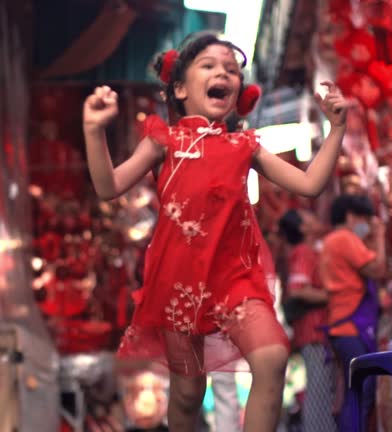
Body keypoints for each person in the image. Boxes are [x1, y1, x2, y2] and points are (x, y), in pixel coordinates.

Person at [82, 31, 349, 431]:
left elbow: (310, 185)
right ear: (179, 88)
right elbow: (108, 187)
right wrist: (93, 130)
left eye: (231, 69)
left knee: (273, 357)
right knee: (188, 394)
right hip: (179, 284)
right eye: (208, 65)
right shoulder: (162, 141)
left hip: (236, 281)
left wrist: (337, 129)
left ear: (239, 90)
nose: (223, 72)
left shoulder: (246, 146)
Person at [318, 195, 386, 432]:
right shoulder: (345, 239)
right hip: (350, 326)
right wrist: (380, 235)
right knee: (361, 389)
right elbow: (378, 269)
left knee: (352, 389)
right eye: (364, 218)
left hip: (340, 324)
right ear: (350, 215)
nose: (366, 224)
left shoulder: (330, 242)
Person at [278, 209, 336, 432]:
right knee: (319, 391)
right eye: (309, 216)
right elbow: (297, 289)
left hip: (317, 332)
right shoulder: (303, 252)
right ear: (303, 228)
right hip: (313, 331)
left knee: (322, 389)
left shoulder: (309, 250)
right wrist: (333, 296)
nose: (314, 217)